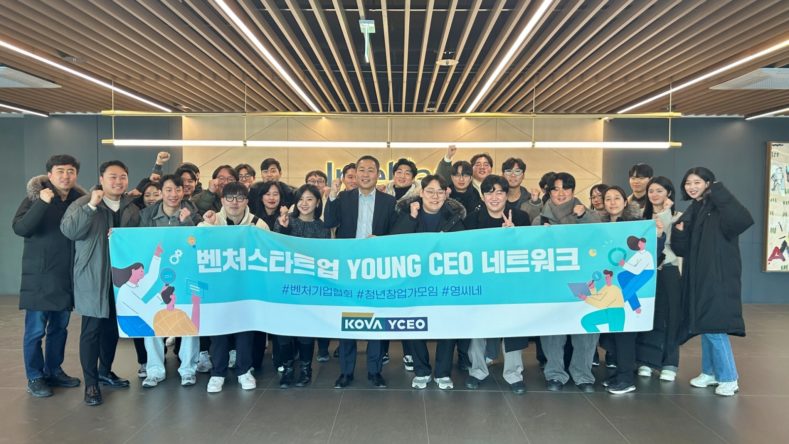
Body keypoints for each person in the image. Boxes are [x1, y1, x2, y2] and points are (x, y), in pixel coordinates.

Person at [61, 160, 141, 406]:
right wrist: (91, 207)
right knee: (92, 330)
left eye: (122, 177)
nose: (118, 181)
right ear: (102, 179)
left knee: (112, 329)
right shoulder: (84, 203)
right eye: (113, 177)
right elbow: (69, 231)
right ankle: (91, 383)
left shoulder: (131, 207)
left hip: (120, 279)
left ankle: (105, 371)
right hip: (93, 276)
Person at [672, 167, 753, 396]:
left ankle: (729, 377)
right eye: (688, 183)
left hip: (719, 276)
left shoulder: (720, 208)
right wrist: (679, 232)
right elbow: (681, 250)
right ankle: (710, 372)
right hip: (698, 277)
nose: (692, 187)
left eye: (697, 182)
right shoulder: (695, 209)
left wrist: (719, 190)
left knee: (715, 326)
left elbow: (743, 220)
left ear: (709, 183)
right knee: (705, 325)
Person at [13, 154, 84, 398]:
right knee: (35, 332)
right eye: (60, 171)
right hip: (39, 279)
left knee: (59, 329)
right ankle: (34, 377)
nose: (66, 176)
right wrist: (42, 204)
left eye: (70, 171)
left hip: (66, 278)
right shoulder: (34, 198)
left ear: (76, 175)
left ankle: (53, 370)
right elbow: (21, 228)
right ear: (50, 175)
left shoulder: (78, 202)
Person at [324, 155, 397, 389]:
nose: (365, 174)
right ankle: (346, 371)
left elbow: (395, 233)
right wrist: (331, 196)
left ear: (378, 174)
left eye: (371, 170)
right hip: (349, 268)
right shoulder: (343, 198)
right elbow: (329, 222)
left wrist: (382, 241)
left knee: (376, 319)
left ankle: (375, 371)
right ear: (355, 173)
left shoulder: (389, 201)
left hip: (377, 269)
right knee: (348, 318)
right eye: (361, 170)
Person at [391, 175, 467, 390]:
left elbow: (463, 247)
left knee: (447, 327)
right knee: (415, 325)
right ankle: (422, 371)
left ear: (446, 194)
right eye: (430, 191)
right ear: (421, 193)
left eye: (440, 192)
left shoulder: (454, 218)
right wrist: (412, 218)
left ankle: (443, 372)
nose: (435, 196)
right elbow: (395, 242)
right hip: (415, 283)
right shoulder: (408, 213)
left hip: (444, 283)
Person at [199, 182, 269, 393]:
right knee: (218, 332)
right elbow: (197, 242)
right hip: (218, 289)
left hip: (246, 289)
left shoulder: (258, 224)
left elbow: (268, 252)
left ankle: (244, 371)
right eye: (230, 198)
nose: (234, 202)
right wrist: (210, 225)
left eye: (240, 198)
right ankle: (217, 373)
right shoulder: (212, 221)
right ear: (222, 200)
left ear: (246, 201)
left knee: (245, 331)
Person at [464, 175, 531, 394]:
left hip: (512, 285)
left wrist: (514, 235)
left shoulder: (520, 217)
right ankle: (477, 370)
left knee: (513, 329)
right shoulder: (472, 220)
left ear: (506, 195)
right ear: (483, 196)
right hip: (482, 284)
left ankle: (514, 374)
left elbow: (530, 251)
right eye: (489, 193)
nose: (494, 197)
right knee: (478, 328)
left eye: (500, 192)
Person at [534, 172, 601, 393]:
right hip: (551, 284)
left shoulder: (587, 214)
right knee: (552, 331)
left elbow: (602, 235)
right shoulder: (539, 220)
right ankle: (555, 374)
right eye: (555, 189)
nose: (561, 193)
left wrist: (584, 217)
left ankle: (583, 374)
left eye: (566, 188)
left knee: (586, 329)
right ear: (549, 192)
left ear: (573, 191)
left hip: (583, 281)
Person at [137, 174, 202, 388]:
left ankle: (188, 369)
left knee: (188, 321)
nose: (174, 194)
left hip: (185, 274)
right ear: (161, 192)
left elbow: (199, 243)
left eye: (178, 189)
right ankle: (155, 369)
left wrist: (188, 222)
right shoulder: (147, 215)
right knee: (152, 322)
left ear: (184, 191)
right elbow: (137, 242)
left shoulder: (194, 213)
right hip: (156, 275)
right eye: (168, 190)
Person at [273, 184, 331, 388]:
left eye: (309, 199)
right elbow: (276, 247)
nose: (304, 203)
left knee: (306, 330)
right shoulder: (286, 221)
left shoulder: (323, 227)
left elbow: (325, 258)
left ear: (318, 202)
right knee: (284, 331)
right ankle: (288, 369)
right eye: (300, 199)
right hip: (286, 285)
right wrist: (283, 227)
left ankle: (306, 369)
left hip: (309, 287)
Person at [597, 186, 652, 395]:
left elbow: (649, 251)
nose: (612, 202)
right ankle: (621, 373)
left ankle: (626, 378)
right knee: (613, 334)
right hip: (615, 283)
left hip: (638, 277)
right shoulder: (600, 227)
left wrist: (659, 233)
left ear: (625, 201)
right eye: (608, 199)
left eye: (617, 198)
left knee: (625, 335)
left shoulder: (637, 226)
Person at [637, 177, 683, 382]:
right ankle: (646, 360)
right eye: (651, 191)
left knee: (671, 317)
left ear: (669, 193)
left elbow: (666, 238)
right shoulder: (641, 216)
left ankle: (670, 362)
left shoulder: (677, 216)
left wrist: (665, 212)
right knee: (649, 315)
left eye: (659, 191)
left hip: (669, 270)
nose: (654, 195)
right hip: (647, 272)